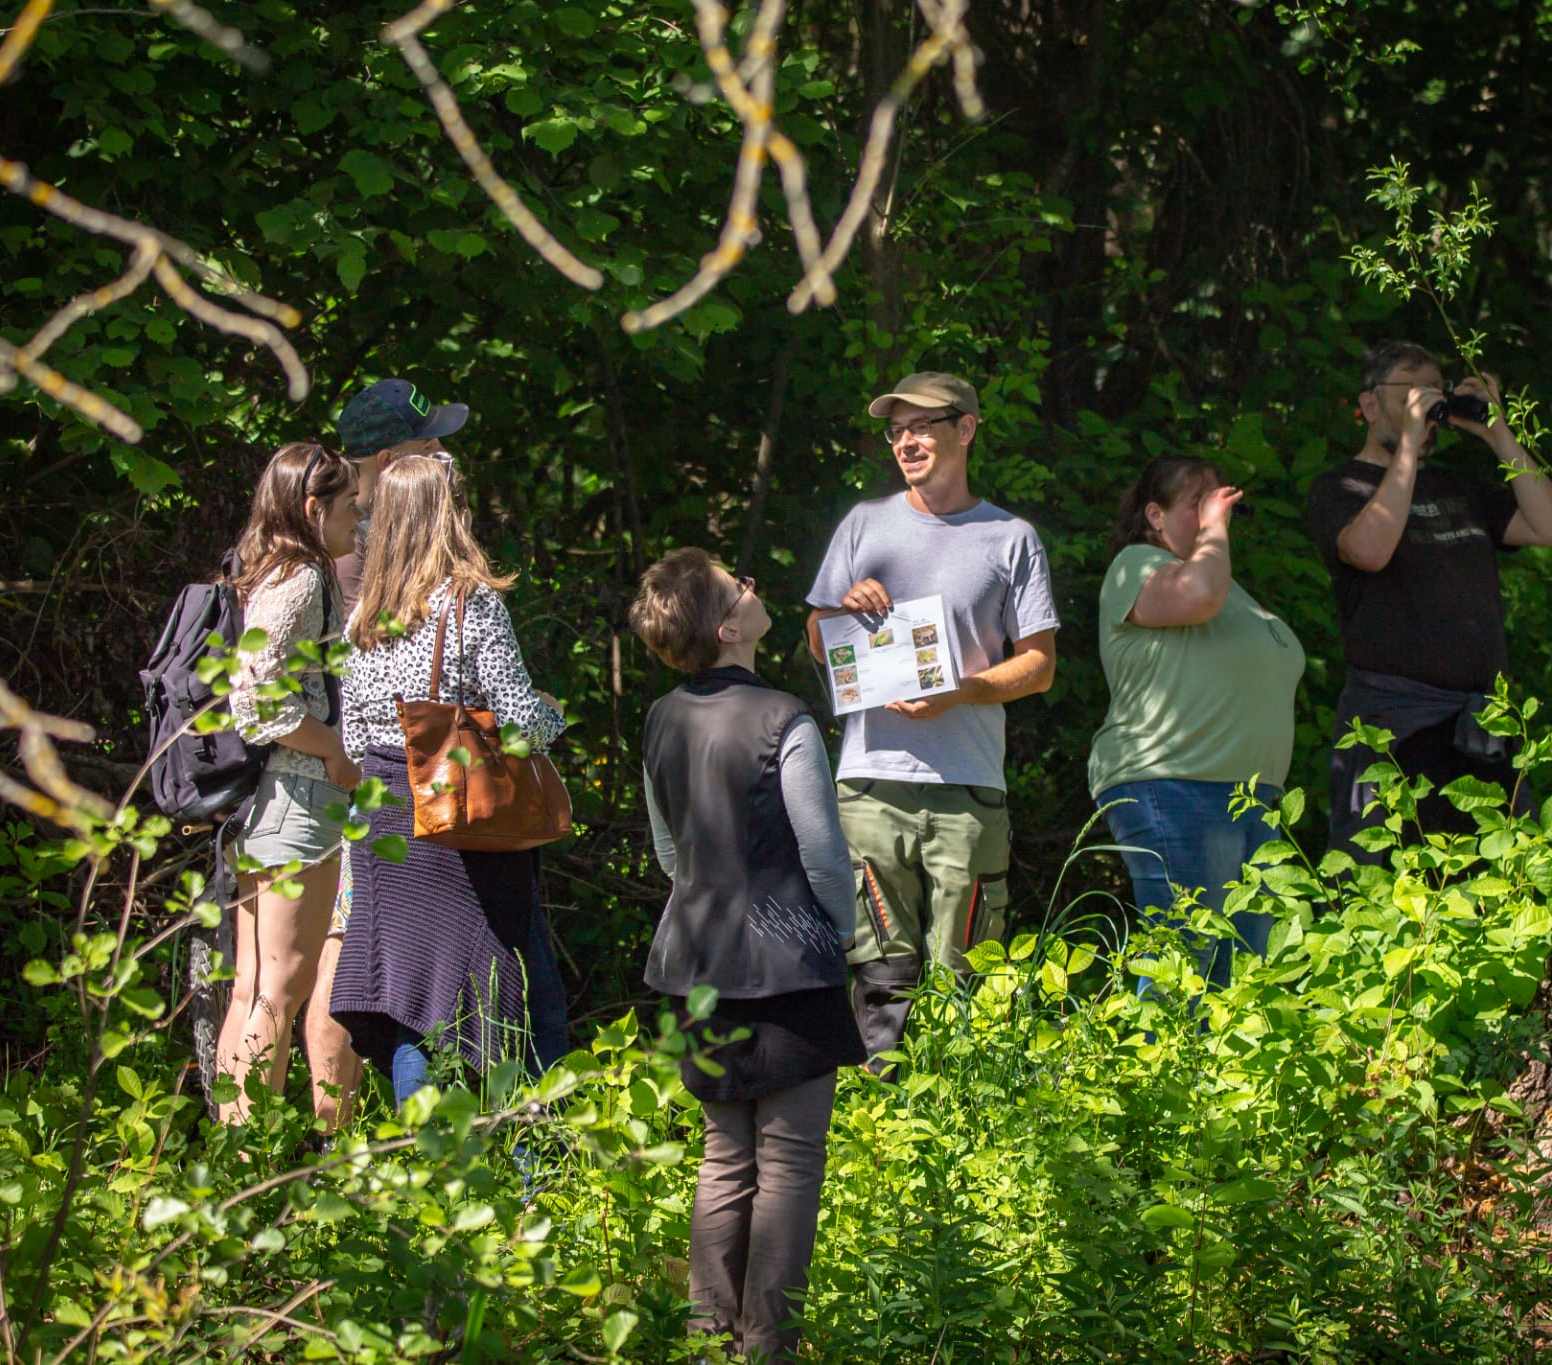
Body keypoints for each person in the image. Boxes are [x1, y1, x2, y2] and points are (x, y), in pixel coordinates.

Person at [629, 548, 862, 1364]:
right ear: (729, 627)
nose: (756, 587)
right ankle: (769, 1344)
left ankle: (706, 1338)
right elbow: (826, 857)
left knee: (725, 1155)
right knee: (792, 1158)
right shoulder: (785, 718)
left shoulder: (659, 718)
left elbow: (669, 853)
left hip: (696, 965)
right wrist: (848, 932)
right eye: (742, 587)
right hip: (792, 962)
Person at [804, 372, 1060, 1063]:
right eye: (896, 431)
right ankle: (881, 1129)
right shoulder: (864, 524)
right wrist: (842, 609)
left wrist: (960, 691)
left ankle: (967, 1125)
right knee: (879, 973)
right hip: (868, 782)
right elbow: (820, 642)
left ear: (966, 428)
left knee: (968, 972)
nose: (906, 441)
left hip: (967, 784)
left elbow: (1039, 665)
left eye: (921, 426)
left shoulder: (1010, 537)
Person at [333, 378, 574, 1078]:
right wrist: (553, 711)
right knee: (513, 1007)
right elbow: (522, 727)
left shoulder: (362, 620)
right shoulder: (468, 605)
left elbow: (352, 742)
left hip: (384, 828)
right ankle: (531, 1174)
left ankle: (429, 1168)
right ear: (448, 518)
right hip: (460, 827)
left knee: (414, 1004)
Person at [1305, 341, 1552, 856]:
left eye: (1434, 392)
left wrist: (1499, 435)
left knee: (1499, 878)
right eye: (1410, 389)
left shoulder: (1456, 486)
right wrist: (1406, 449)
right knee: (1394, 881)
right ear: (1367, 406)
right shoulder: (1338, 487)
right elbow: (1368, 551)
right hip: (1397, 726)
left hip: (1479, 725)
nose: (1424, 405)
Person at [1089, 457, 1305, 991]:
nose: (1216, 514)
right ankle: (1158, 1075)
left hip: (1248, 798)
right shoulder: (1135, 564)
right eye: (1199, 504)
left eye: (1219, 502)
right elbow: (1197, 595)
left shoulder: (1230, 586)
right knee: (1187, 962)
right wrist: (1215, 530)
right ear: (1155, 516)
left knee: (1256, 970)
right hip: (1177, 785)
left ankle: (1232, 1077)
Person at [218, 441, 363, 1127]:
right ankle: (248, 1160)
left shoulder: (270, 569)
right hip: (298, 802)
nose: (357, 523)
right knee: (281, 987)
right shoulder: (303, 577)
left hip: (272, 802)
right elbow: (253, 700)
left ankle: (230, 1160)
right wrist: (332, 748)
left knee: (253, 985)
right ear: (314, 508)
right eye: (350, 508)